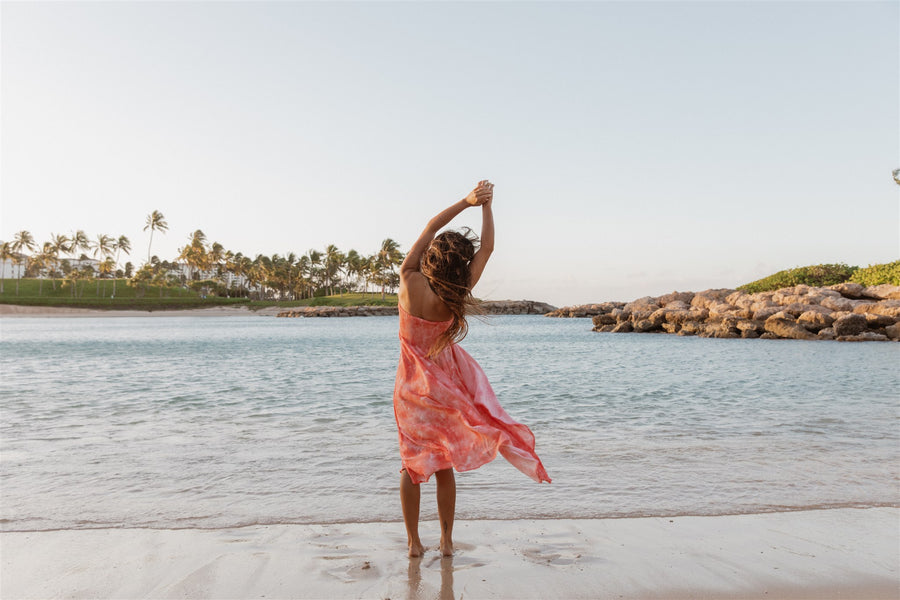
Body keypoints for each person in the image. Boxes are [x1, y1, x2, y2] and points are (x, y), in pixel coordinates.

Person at [393, 180, 551, 558]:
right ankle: (446, 542)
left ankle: (415, 544)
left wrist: (466, 201)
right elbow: (489, 247)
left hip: (411, 390)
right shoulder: (456, 295)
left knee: (411, 466)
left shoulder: (409, 280)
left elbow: (431, 226)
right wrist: (487, 206)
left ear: (432, 255)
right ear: (460, 263)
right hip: (446, 388)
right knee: (443, 463)